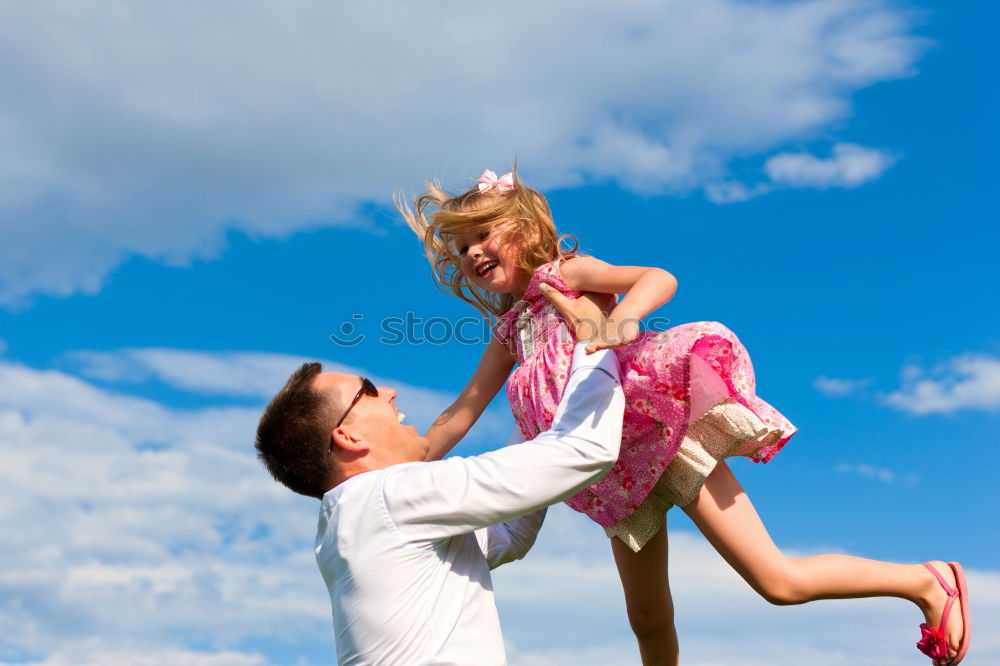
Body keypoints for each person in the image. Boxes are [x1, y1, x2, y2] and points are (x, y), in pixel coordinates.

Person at [397, 167, 972, 666]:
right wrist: (397, 467)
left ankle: (925, 581)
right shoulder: (508, 333)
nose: (472, 251)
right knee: (647, 617)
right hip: (614, 480)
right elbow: (461, 411)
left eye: (483, 233)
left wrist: (627, 319)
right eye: (461, 245)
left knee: (778, 581)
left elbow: (657, 277)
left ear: (524, 230)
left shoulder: (568, 276)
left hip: (661, 439)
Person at [254, 290, 627, 666]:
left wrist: (534, 398)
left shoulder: (348, 522)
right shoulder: (390, 496)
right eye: (367, 391)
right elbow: (586, 451)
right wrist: (593, 338)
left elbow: (507, 536)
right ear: (348, 437)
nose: (388, 392)